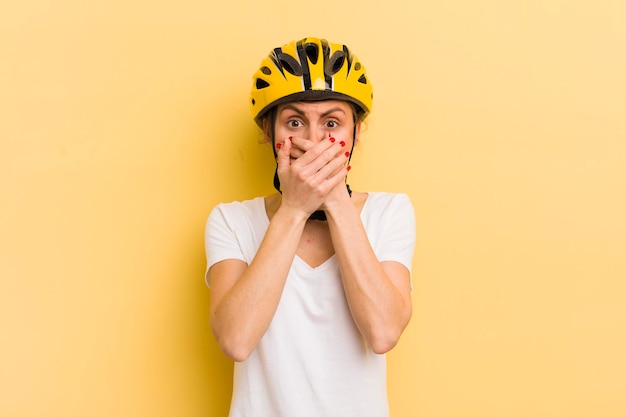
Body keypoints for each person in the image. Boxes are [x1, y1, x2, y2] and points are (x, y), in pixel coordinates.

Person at [204, 36, 416, 417]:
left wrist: (335, 199)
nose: (313, 141)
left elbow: (383, 332)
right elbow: (235, 340)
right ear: (269, 134)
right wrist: (294, 209)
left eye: (331, 123)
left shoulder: (390, 212)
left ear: (354, 134)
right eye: (294, 122)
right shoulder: (231, 220)